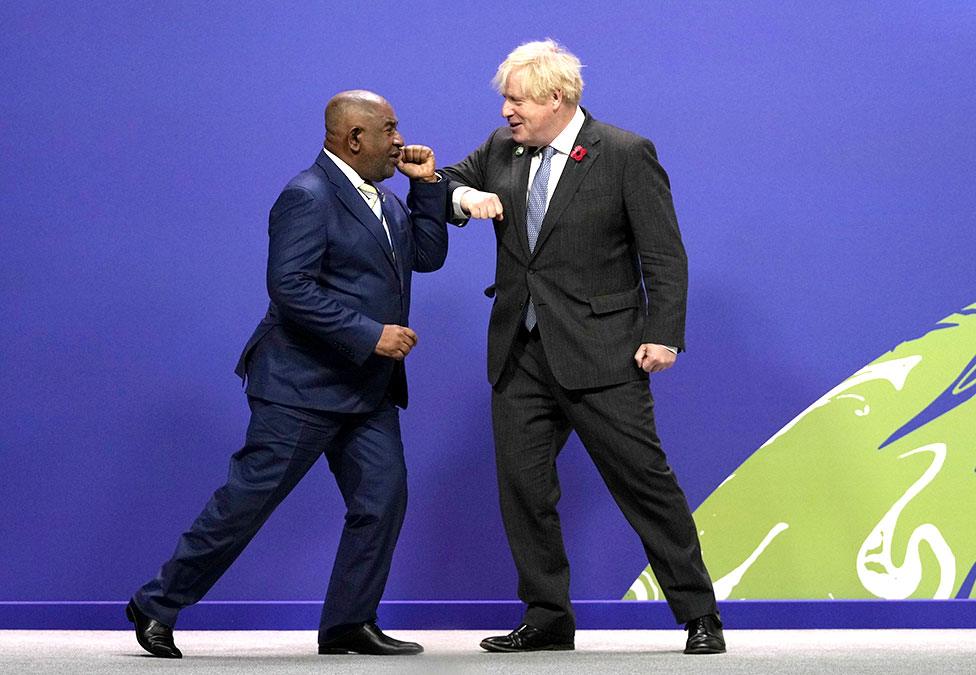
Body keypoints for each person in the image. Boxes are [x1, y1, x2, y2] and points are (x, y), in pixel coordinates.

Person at [126, 90, 449, 658]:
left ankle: (349, 623)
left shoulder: (386, 199)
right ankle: (156, 604)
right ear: (354, 138)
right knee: (245, 505)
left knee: (383, 499)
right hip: (301, 386)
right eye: (391, 129)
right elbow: (289, 287)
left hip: (367, 389)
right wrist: (369, 334)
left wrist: (426, 187)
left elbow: (426, 256)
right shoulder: (307, 194)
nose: (401, 139)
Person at [442, 40, 725, 655]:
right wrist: (464, 198)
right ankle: (547, 616)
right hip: (519, 352)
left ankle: (699, 615)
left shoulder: (624, 153)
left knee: (645, 485)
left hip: (604, 352)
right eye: (505, 100)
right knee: (524, 491)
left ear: (556, 98)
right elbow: (444, 184)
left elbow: (664, 255)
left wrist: (663, 333)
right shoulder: (501, 150)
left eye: (515, 100)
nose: (505, 112)